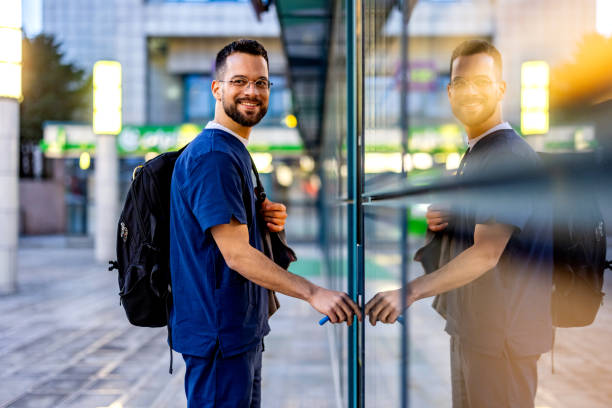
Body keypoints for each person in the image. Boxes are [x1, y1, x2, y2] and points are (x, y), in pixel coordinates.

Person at [169, 39, 361, 407]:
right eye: (239, 81)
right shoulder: (214, 157)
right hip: (219, 340)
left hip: (235, 335)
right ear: (217, 88)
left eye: (261, 82)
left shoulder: (232, 150)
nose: (251, 91)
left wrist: (263, 221)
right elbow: (237, 255)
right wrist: (313, 293)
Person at [365, 39, 553, 408]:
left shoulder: (506, 155)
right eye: (461, 83)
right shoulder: (478, 153)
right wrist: (455, 220)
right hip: (476, 333)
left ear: (500, 89)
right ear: (450, 92)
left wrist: (408, 292)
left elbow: (486, 254)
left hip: (502, 342)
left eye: (482, 82)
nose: (470, 92)